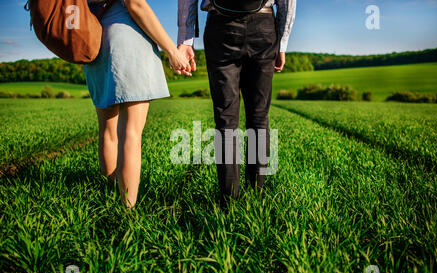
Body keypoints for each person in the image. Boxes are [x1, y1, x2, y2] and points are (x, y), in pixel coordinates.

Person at [178, 0, 296, 206]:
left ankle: (228, 202)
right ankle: (256, 196)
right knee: (259, 117)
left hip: (220, 25)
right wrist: (282, 42)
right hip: (264, 25)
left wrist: (186, 39)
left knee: (225, 120)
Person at [85, 0, 192, 208]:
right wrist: (172, 51)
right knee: (131, 133)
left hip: (94, 41)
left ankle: (110, 194)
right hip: (126, 40)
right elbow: (136, 5)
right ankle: (126, 212)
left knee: (107, 131)